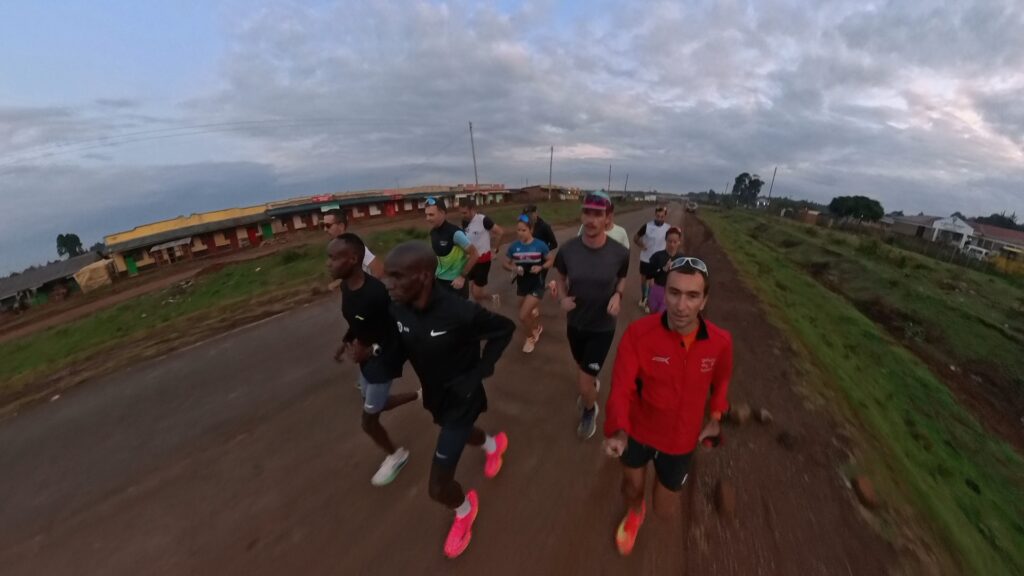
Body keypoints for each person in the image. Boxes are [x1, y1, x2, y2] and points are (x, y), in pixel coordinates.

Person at [383, 241, 515, 559]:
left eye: (398, 276)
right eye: (389, 276)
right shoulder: (398, 307)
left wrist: (479, 373)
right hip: (436, 398)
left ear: (425, 277)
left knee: (438, 486)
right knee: (459, 431)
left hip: (463, 398)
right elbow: (404, 343)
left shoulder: (458, 311)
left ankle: (465, 510)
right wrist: (378, 359)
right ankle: (493, 445)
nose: (390, 284)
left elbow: (504, 329)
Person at [602, 256, 732, 556]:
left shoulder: (721, 342)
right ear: (665, 291)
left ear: (704, 300)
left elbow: (721, 380)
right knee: (631, 488)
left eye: (692, 295)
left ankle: (650, 504)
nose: (681, 305)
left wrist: (715, 415)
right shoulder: (638, 334)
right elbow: (620, 388)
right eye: (674, 293)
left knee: (665, 509)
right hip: (636, 431)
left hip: (680, 441)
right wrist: (618, 428)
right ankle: (634, 512)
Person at [328, 235, 418, 486]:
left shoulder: (377, 293)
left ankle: (397, 455)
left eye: (334, 258)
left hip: (384, 361)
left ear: (353, 259)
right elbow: (357, 322)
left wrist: (371, 351)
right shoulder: (347, 287)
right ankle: (420, 395)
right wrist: (345, 341)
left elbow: (396, 332)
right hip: (366, 358)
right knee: (374, 402)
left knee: (368, 422)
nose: (329, 264)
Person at [554, 191, 629, 439]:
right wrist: (563, 297)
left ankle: (589, 410)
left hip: (602, 327)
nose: (591, 219)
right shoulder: (568, 250)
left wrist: (618, 295)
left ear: (608, 218)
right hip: (575, 322)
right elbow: (561, 278)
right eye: (587, 212)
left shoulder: (620, 253)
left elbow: (622, 279)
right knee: (580, 366)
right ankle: (589, 384)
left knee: (584, 382)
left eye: (598, 214)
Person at [503, 214, 555, 353]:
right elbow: (505, 263)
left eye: (523, 230)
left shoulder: (540, 245)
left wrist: (541, 267)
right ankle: (536, 328)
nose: (520, 233)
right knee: (528, 313)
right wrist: (514, 268)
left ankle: (530, 337)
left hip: (536, 283)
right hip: (522, 285)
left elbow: (551, 260)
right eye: (518, 230)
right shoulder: (514, 246)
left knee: (522, 315)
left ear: (531, 230)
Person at [425, 197, 479, 298]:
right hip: (440, 282)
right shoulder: (433, 233)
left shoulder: (455, 233)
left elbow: (474, 254)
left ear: (442, 213)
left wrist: (462, 277)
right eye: (426, 215)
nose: (427, 218)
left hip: (455, 285)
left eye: (431, 215)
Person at [460, 198, 504, 308]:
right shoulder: (464, 222)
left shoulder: (483, 220)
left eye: (465, 212)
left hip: (483, 262)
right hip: (470, 260)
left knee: (476, 293)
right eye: (461, 212)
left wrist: (495, 249)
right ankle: (479, 311)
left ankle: (492, 297)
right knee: (468, 288)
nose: (463, 215)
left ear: (472, 209)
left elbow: (500, 232)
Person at [323, 209, 383, 276]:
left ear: (341, 226)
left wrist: (370, 286)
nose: (325, 229)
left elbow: (379, 269)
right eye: (324, 225)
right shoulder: (338, 248)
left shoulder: (354, 246)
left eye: (328, 226)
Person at [634, 206, 670, 312]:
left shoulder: (668, 228)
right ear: (655, 215)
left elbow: (672, 240)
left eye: (662, 217)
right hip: (646, 258)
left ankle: (648, 301)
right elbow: (635, 238)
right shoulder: (647, 226)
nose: (659, 219)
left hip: (658, 260)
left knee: (653, 282)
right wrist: (642, 245)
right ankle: (643, 297)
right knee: (644, 279)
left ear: (665, 216)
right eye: (658, 216)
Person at [522, 203, 560, 300]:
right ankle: (550, 285)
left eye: (530, 214)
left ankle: (534, 307)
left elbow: (554, 243)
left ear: (536, 213)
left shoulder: (544, 227)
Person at [645, 226, 682, 314]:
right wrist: (663, 269)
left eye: (675, 242)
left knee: (661, 318)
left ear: (679, 242)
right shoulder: (657, 256)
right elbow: (648, 274)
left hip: (672, 293)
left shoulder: (682, 259)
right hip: (657, 291)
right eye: (670, 241)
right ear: (665, 240)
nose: (672, 244)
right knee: (653, 317)